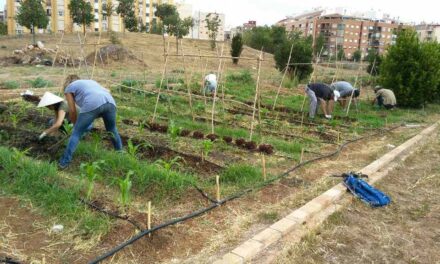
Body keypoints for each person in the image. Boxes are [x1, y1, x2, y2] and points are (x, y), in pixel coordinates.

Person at [58, 75, 122, 169]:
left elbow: (72, 110)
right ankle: (120, 154)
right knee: (112, 129)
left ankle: (63, 163)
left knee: (76, 133)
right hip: (110, 102)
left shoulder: (69, 88)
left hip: (93, 103)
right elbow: (107, 91)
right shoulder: (91, 82)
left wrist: (76, 127)